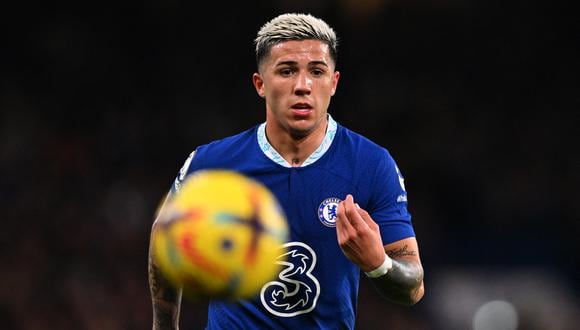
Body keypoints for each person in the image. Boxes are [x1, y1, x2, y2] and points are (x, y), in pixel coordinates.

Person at [148, 12, 425, 329]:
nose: (303, 86)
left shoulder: (371, 164)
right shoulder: (210, 164)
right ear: (260, 84)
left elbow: (414, 286)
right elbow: (163, 238)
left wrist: (378, 264)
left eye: (317, 72)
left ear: (334, 83)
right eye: (287, 71)